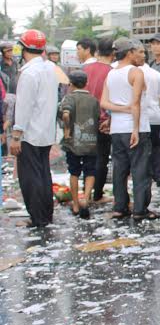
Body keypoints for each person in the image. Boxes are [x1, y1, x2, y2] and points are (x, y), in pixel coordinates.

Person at [101, 38, 156, 221]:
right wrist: (135, 128)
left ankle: (120, 207)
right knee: (140, 169)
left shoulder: (111, 74)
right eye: (137, 51)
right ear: (130, 52)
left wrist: (117, 111)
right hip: (136, 127)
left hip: (117, 129)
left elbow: (104, 102)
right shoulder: (136, 72)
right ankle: (140, 209)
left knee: (120, 169)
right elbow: (136, 102)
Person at [10, 30, 58, 228]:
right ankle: (46, 215)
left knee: (30, 178)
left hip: (30, 132)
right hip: (46, 130)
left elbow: (24, 106)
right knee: (44, 174)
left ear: (23, 49)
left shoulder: (29, 73)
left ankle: (37, 217)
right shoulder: (50, 68)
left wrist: (16, 135)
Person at [59, 70, 99, 219]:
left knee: (74, 172)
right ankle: (86, 199)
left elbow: (66, 114)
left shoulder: (69, 98)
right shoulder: (94, 100)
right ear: (86, 83)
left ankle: (76, 204)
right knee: (90, 171)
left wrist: (67, 130)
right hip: (91, 142)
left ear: (71, 84)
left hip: (73, 144)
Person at [86, 39, 114, 204]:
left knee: (86, 157)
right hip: (103, 121)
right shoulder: (111, 72)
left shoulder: (85, 69)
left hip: (84, 121)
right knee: (102, 158)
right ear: (113, 53)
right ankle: (97, 194)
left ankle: (85, 192)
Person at [140, 59, 160, 187]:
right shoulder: (155, 74)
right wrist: (156, 107)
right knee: (156, 148)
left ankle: (145, 175)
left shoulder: (133, 72)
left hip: (140, 118)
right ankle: (158, 176)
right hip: (156, 116)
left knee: (142, 149)